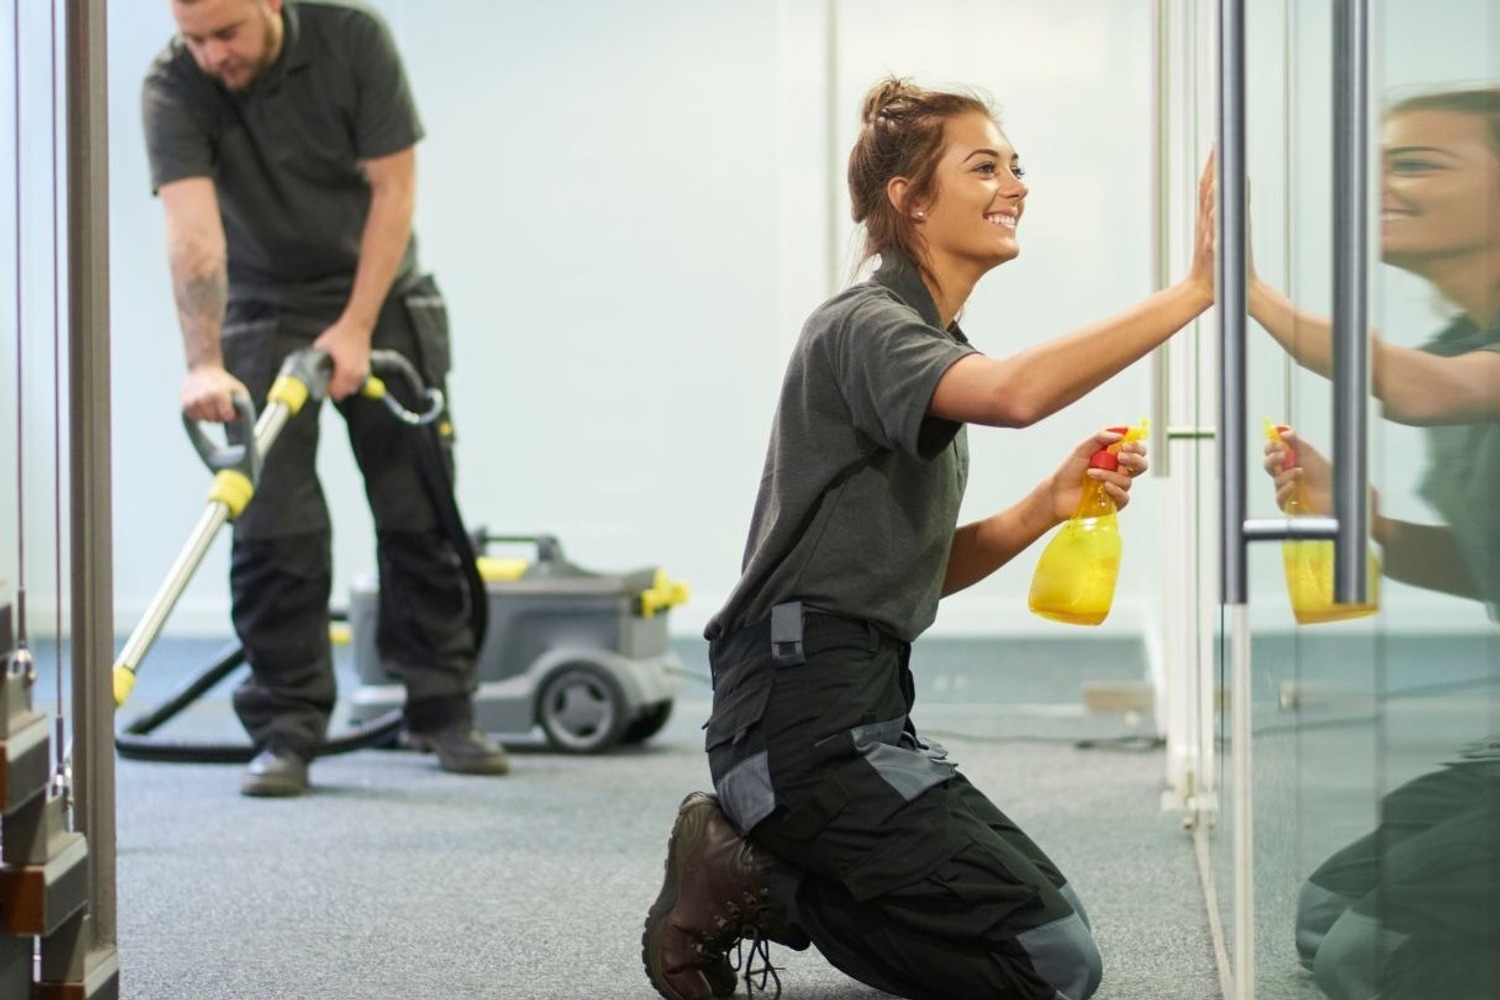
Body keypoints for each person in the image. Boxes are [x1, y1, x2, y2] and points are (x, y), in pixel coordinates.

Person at [641, 77, 1215, 1000]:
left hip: (860, 711)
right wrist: (1196, 291)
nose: (1014, 184)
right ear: (910, 199)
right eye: (983, 166)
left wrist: (1044, 507)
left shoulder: (923, 338)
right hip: (795, 722)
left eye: (1016, 165)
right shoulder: (867, 324)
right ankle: (756, 872)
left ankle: (771, 868)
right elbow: (1016, 395)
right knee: (1052, 967)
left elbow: (903, 571)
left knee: (1054, 937)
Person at [142, 0, 510, 797]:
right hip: (263, 309)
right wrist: (203, 362)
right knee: (274, 524)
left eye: (226, 33)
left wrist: (355, 325)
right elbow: (194, 234)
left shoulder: (354, 40)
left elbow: (394, 189)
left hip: (382, 296)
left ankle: (442, 708)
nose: (211, 55)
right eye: (193, 37)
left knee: (418, 510)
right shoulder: (175, 83)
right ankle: (286, 728)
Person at [1255, 86, 1500, 1000]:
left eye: (1418, 163)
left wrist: (1246, 294)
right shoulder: (1462, 337)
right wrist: (1373, 528)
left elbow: (1426, 390)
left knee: (1377, 963)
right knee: (1327, 914)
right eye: (1381, 163)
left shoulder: (1448, 370)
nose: (1382, 184)